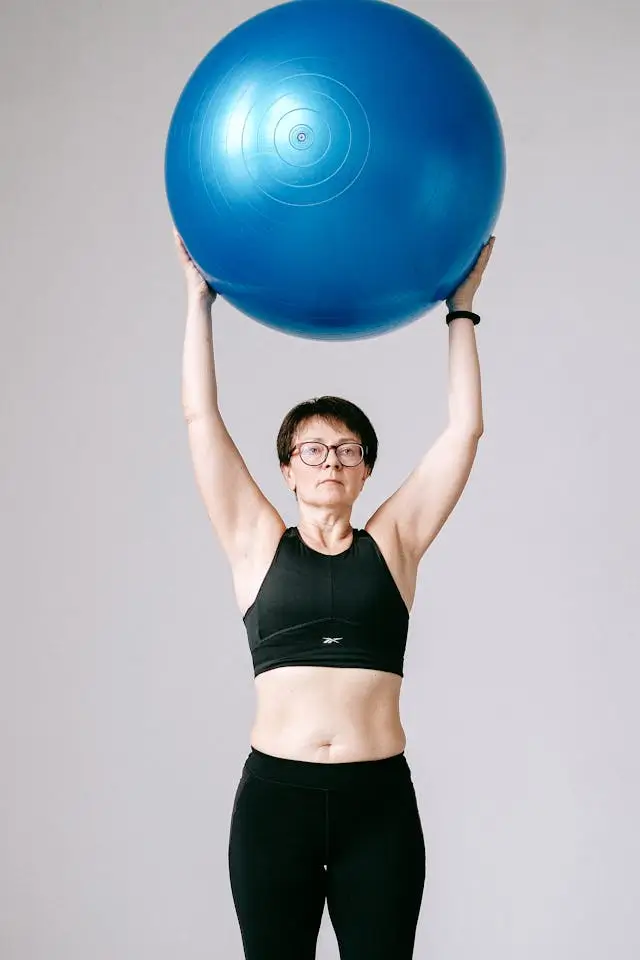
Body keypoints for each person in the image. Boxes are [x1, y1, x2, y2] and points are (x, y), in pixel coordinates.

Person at [174, 228, 495, 960]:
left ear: (365, 471)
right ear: (287, 469)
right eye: (313, 450)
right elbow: (201, 421)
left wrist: (462, 312)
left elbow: (465, 430)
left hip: (376, 807)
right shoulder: (256, 543)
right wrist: (198, 303)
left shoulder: (395, 543)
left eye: (348, 451)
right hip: (275, 806)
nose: (331, 462)